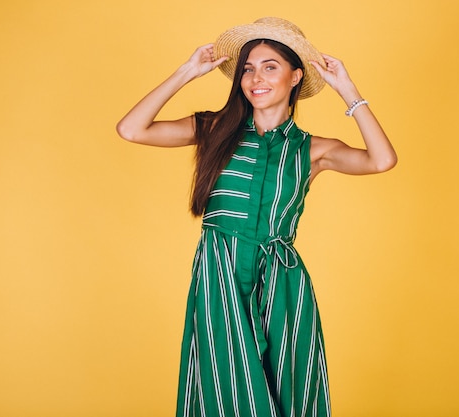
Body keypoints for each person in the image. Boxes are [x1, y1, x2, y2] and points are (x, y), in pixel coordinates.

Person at [117, 17, 396, 417]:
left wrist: (348, 91)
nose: (255, 78)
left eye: (270, 67)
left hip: (282, 283)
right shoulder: (214, 128)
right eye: (248, 68)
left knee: (292, 392)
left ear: (295, 76)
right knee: (227, 391)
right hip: (220, 277)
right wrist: (186, 72)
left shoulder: (313, 150)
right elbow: (131, 129)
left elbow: (382, 160)